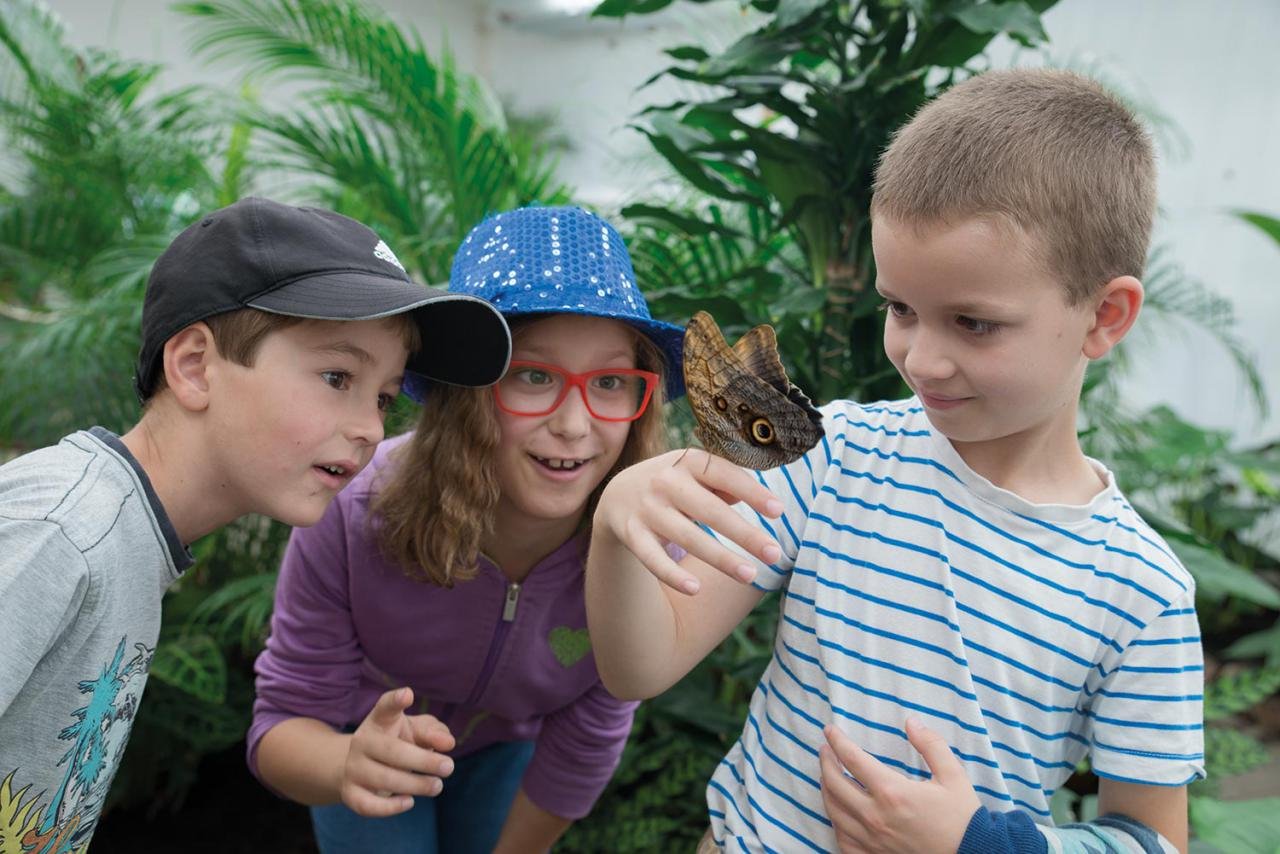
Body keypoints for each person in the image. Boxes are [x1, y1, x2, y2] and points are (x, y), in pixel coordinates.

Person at [585, 68, 1203, 854]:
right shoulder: (827, 457)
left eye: (973, 323)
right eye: (900, 308)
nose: (922, 358)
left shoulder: (1140, 593)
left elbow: (1156, 842)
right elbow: (639, 667)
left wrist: (979, 844)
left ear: (1104, 316)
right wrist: (616, 528)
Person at [0, 196, 511, 853]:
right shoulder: (61, 532)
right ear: (193, 366)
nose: (370, 427)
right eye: (337, 376)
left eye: (383, 396)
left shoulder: (127, 540)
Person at [248, 205, 685, 854]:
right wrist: (347, 763)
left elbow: (588, 740)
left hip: (509, 750)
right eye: (534, 376)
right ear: (463, 393)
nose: (574, 424)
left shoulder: (644, 545)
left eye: (612, 382)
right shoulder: (353, 513)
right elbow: (285, 725)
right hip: (361, 739)